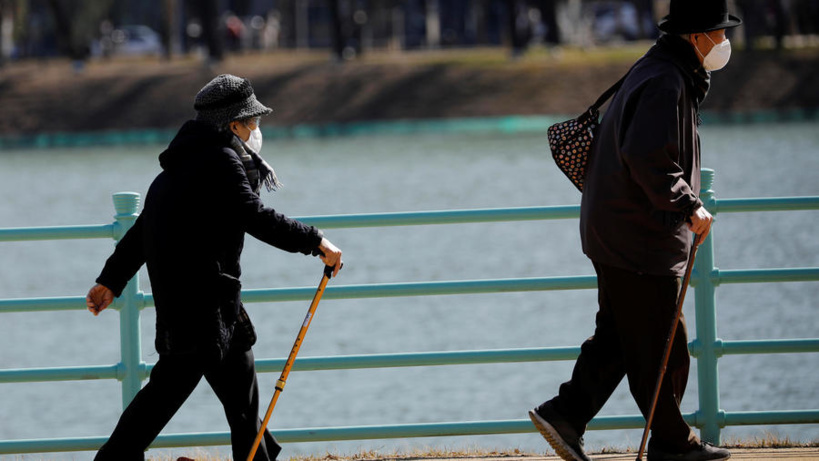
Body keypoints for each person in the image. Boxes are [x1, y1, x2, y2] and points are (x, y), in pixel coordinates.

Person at [85, 74, 343, 461]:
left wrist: (110, 280)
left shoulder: (176, 167)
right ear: (233, 124)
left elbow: (143, 230)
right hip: (201, 308)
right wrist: (315, 241)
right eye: (252, 121)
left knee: (242, 396)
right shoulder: (220, 160)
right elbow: (254, 216)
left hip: (210, 304)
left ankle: (258, 458)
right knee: (163, 397)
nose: (257, 129)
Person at [528, 1, 740, 460]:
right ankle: (670, 444)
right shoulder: (666, 80)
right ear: (695, 36)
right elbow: (647, 155)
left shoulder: (664, 68)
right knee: (664, 343)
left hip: (619, 229)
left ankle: (565, 414)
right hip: (638, 237)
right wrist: (690, 205)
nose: (723, 42)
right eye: (718, 33)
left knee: (624, 337)